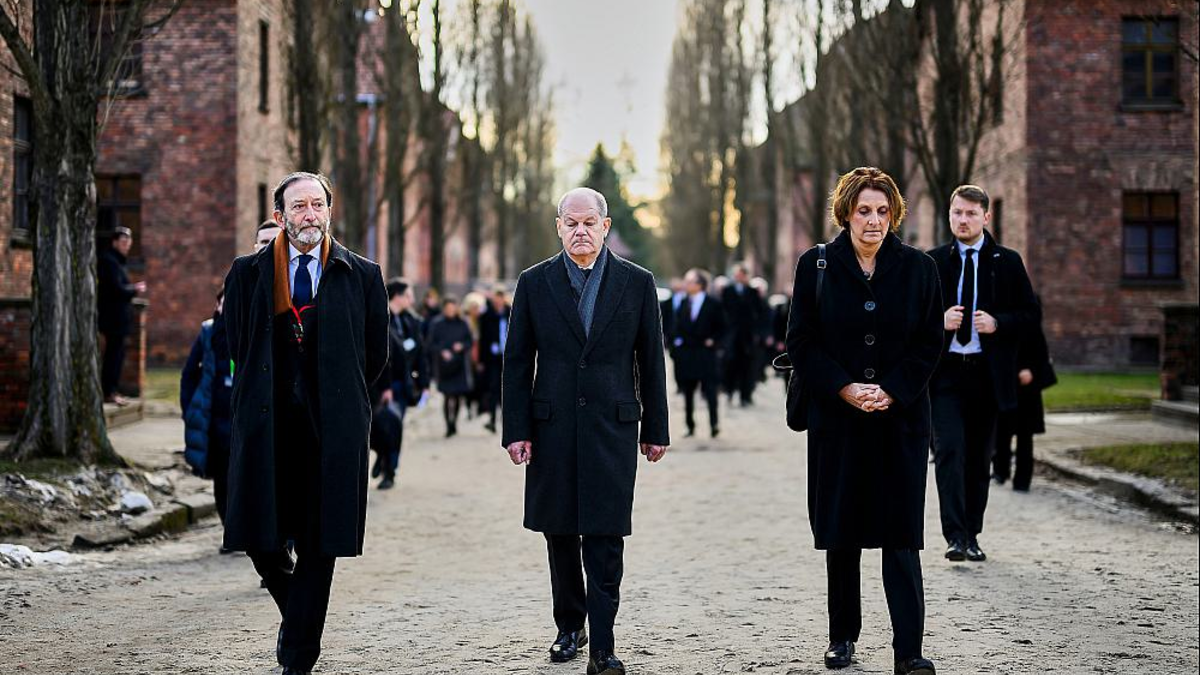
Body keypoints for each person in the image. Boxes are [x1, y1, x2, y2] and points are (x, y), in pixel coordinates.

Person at [222, 171, 388, 675]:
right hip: (268, 430)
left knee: (320, 544)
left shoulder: (361, 274)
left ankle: (297, 658)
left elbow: (374, 355)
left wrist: (340, 397)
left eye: (317, 205)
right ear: (280, 217)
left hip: (331, 432)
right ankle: (299, 615)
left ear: (329, 212)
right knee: (259, 540)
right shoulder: (248, 274)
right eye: (298, 207)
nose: (309, 215)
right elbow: (238, 346)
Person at [502, 187, 669, 675]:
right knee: (559, 533)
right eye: (570, 222)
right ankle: (569, 625)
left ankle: (604, 643)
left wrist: (654, 427)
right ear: (558, 227)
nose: (580, 230)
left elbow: (650, 361)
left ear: (605, 225)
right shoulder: (535, 283)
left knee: (605, 533)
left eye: (588, 222)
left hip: (611, 426)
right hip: (551, 426)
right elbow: (516, 362)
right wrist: (517, 429)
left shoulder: (637, 283)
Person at [786, 167, 942, 675]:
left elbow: (928, 343)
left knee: (901, 535)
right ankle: (841, 637)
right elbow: (801, 342)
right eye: (863, 210)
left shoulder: (920, 269)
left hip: (901, 422)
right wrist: (845, 387)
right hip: (839, 420)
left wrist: (892, 390)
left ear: (894, 214)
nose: (872, 221)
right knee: (843, 531)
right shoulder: (818, 265)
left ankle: (909, 650)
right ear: (846, 213)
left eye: (882, 211)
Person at [929, 184, 1039, 563]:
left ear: (985, 217)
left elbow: (1030, 315)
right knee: (949, 451)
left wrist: (998, 322)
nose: (963, 220)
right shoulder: (933, 262)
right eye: (957, 213)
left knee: (979, 458)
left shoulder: (1006, 262)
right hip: (945, 376)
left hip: (986, 376)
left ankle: (972, 534)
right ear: (950, 215)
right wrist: (937, 321)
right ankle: (954, 536)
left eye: (971, 214)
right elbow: (909, 318)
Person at [180, 290, 234, 536]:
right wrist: (190, 408)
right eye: (224, 302)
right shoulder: (209, 333)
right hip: (215, 417)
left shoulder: (248, 330)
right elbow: (189, 373)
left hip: (241, 417)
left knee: (245, 477)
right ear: (217, 305)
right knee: (222, 478)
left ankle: (244, 531)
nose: (227, 307)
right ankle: (229, 531)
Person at [992, 297, 1056, 492]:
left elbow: (1043, 359)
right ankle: (1000, 471)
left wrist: (1032, 372)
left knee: (1024, 436)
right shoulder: (1004, 325)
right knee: (1001, 433)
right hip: (1006, 387)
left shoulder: (1034, 331)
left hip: (1027, 391)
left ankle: (1022, 479)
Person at [370, 278, 429, 490]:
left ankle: (390, 471)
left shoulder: (411, 322)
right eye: (409, 295)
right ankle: (381, 455)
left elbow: (421, 353)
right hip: (381, 385)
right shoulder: (379, 318)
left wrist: (424, 383)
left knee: (394, 429)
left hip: (401, 386)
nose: (412, 299)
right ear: (397, 296)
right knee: (378, 428)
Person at [672, 268, 725, 438]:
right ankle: (690, 425)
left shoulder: (713, 304)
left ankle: (714, 424)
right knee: (688, 392)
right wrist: (677, 346)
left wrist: (714, 342)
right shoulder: (683, 303)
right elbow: (677, 326)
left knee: (710, 391)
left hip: (706, 354)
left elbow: (723, 327)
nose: (686, 285)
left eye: (690, 282)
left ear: (700, 285)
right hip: (687, 354)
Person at [97, 226, 146, 406]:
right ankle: (109, 392)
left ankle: (112, 390)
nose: (127, 246)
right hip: (112, 320)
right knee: (112, 357)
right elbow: (116, 289)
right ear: (115, 242)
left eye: (129, 242)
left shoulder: (117, 261)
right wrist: (135, 289)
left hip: (119, 319)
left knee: (116, 356)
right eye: (124, 242)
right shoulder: (108, 261)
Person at [428, 296, 474, 437]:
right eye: (447, 308)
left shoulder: (463, 323)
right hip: (444, 366)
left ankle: (454, 423)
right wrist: (442, 351)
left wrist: (461, 346)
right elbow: (431, 343)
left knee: (458, 395)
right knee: (447, 396)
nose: (450, 311)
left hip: (459, 364)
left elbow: (470, 341)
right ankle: (448, 424)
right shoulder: (437, 324)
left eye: (452, 308)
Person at [721, 262, 764, 406]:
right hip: (732, 336)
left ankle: (746, 396)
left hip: (747, 337)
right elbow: (723, 311)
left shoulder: (752, 292)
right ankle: (730, 391)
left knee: (747, 367)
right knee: (730, 365)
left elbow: (759, 312)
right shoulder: (727, 290)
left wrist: (756, 333)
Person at [477, 286, 511, 433]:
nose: (498, 302)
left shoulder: (512, 312)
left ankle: (507, 421)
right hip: (492, 358)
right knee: (493, 388)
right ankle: (491, 419)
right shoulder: (486, 316)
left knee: (507, 389)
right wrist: (481, 360)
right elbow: (482, 339)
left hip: (508, 356)